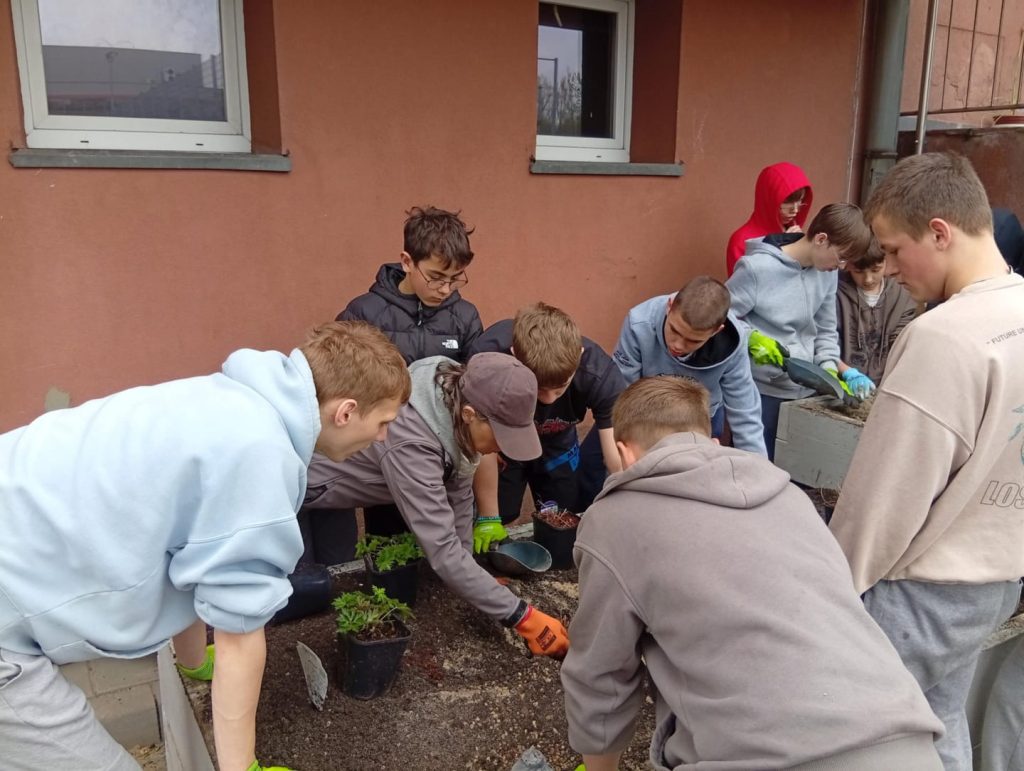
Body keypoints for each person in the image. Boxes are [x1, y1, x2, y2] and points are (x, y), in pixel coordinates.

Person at [0, 321, 412, 771]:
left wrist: (194, 662)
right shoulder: (258, 454)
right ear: (346, 411)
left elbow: (192, 554)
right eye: (383, 423)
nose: (383, 439)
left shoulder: (226, 399)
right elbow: (239, 637)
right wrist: (243, 766)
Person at [560, 376, 944, 771]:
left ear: (625, 454)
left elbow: (600, 674)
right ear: (713, 445)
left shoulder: (615, 521)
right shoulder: (791, 497)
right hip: (906, 740)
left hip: (763, 756)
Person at [828, 152, 1024, 770]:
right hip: (996, 580)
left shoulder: (945, 338)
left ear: (939, 232)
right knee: (940, 723)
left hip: (922, 589)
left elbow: (883, 500)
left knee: (859, 734)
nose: (886, 268)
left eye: (891, 249)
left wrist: (830, 595)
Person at [300, 352, 569, 658]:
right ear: (470, 414)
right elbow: (442, 549)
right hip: (297, 491)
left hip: (333, 496)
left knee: (332, 571)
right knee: (303, 594)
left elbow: (458, 491)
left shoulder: (452, 396)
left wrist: (474, 578)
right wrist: (523, 617)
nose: (503, 448)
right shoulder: (414, 443)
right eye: (502, 436)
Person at [309, 205, 484, 563]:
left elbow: (473, 387)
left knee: (433, 545)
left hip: (434, 460)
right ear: (407, 261)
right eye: (436, 277)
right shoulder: (364, 313)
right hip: (375, 454)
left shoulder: (464, 317)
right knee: (387, 553)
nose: (445, 289)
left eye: (456, 278)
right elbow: (336, 380)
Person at [725, 203, 876, 460]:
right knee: (757, 468)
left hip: (807, 393)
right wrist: (751, 338)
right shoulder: (756, 268)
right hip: (763, 391)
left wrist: (829, 370)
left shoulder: (825, 274)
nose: (841, 266)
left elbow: (826, 330)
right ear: (821, 239)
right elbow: (723, 315)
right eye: (841, 257)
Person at [467, 303, 626, 546]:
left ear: (580, 356)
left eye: (560, 387)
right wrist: (489, 516)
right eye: (539, 389)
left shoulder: (600, 374)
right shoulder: (489, 360)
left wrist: (628, 501)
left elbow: (616, 454)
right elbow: (481, 438)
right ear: (515, 356)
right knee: (502, 510)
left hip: (558, 442)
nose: (549, 399)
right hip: (503, 441)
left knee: (559, 513)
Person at [612, 275, 766, 455]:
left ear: (716, 331)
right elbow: (622, 390)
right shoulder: (638, 323)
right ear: (669, 307)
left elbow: (745, 411)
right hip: (644, 416)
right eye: (674, 330)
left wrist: (759, 469)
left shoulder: (734, 343)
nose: (677, 345)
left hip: (700, 419)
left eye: (693, 341)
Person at [836, 240, 917, 383]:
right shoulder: (836, 292)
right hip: (842, 381)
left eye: (876, 270)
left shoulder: (902, 293)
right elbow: (826, 342)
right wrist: (846, 373)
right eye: (859, 272)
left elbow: (901, 342)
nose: (868, 279)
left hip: (887, 381)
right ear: (848, 266)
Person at [726, 161, 813, 276]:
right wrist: (784, 251)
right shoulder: (741, 242)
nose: (795, 210)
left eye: (800, 201)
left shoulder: (794, 231)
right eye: (788, 202)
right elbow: (743, 289)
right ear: (768, 200)